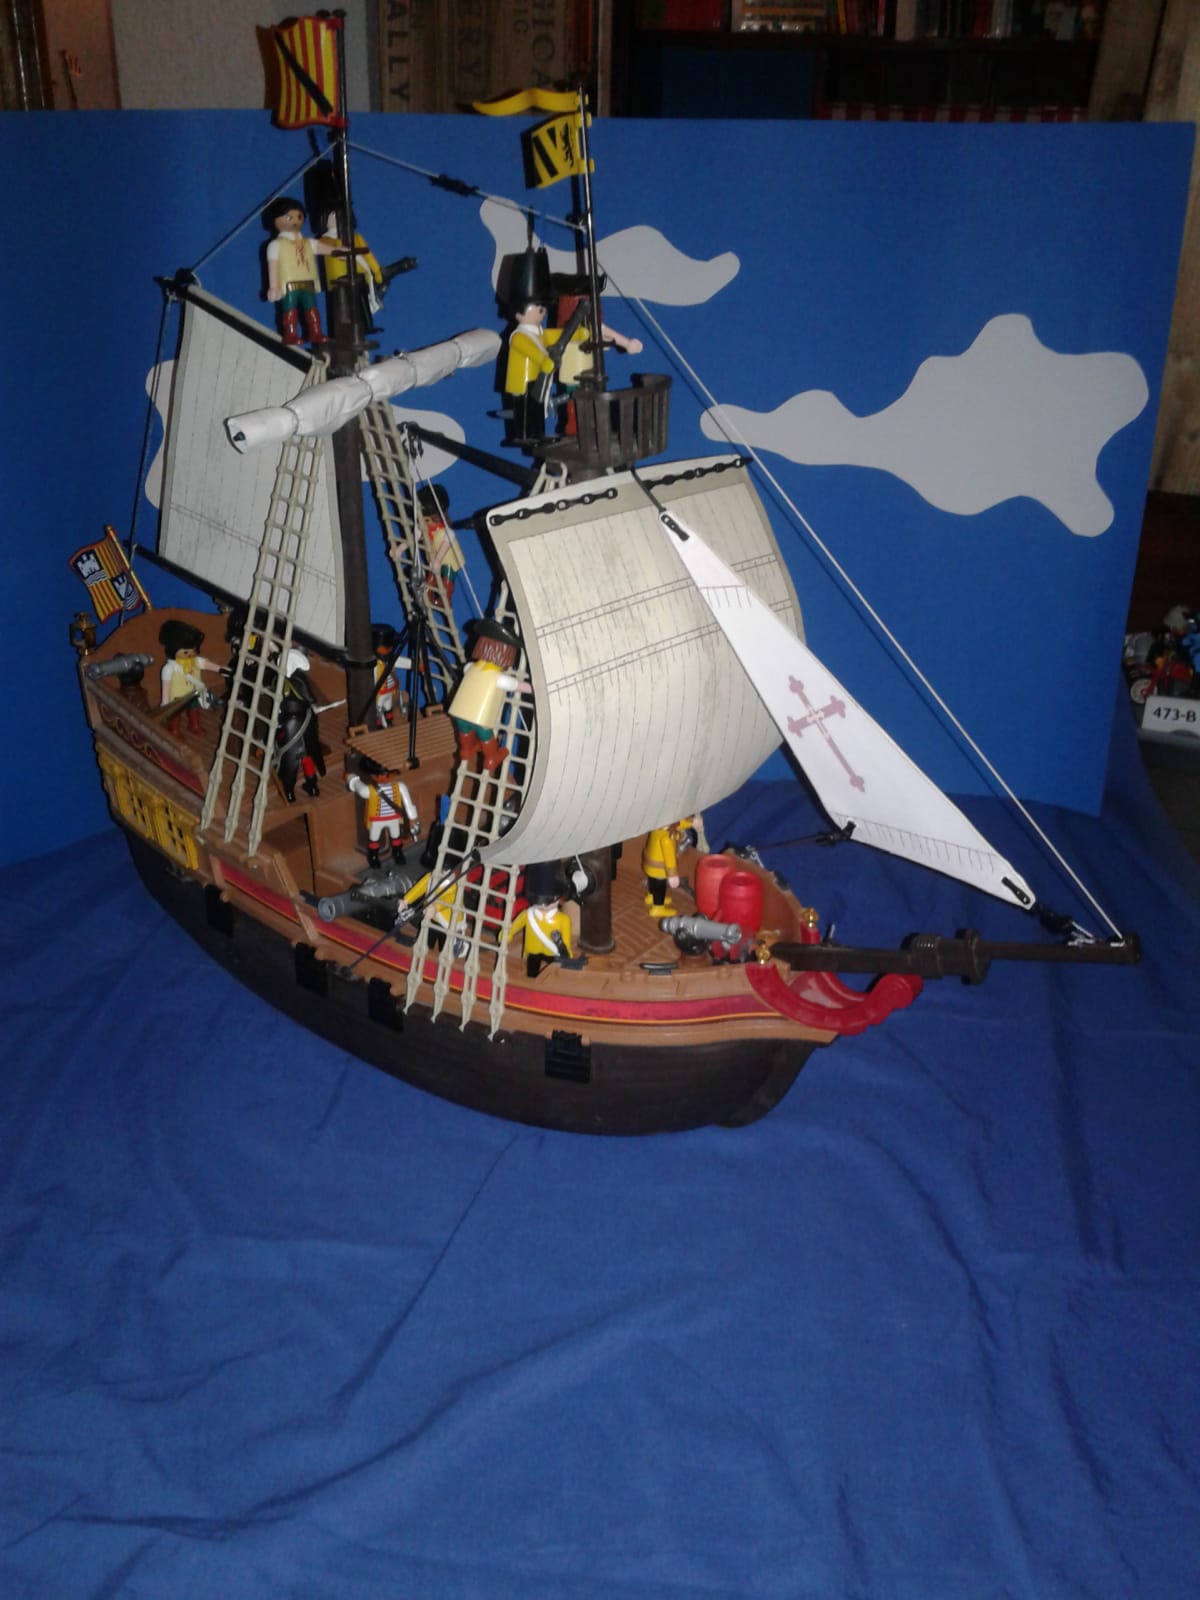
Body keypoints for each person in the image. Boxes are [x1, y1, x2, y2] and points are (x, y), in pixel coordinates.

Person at [447, 619, 526, 774]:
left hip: (460, 712)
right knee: (485, 734)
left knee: (463, 728)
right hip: (479, 717)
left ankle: (465, 750)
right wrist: (528, 687)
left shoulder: (471, 667)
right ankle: (491, 757)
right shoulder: (498, 677)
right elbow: (515, 685)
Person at [264, 196, 340, 347]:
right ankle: (290, 334)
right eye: (289, 217)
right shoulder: (276, 245)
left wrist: (338, 251)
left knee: (312, 309)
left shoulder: (307, 242)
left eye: (299, 216)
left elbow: (324, 248)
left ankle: (316, 332)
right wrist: (273, 287)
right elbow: (273, 266)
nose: (295, 221)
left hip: (308, 281)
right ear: (275, 220)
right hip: (289, 284)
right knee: (289, 310)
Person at [347, 761, 418, 869]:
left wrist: (412, 818)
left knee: (396, 837)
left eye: (390, 774)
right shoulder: (371, 790)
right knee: (374, 839)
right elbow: (361, 790)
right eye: (385, 775)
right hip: (377, 820)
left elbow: (408, 803)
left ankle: (398, 853)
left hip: (394, 818)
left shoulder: (399, 786)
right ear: (374, 776)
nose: (388, 777)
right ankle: (373, 857)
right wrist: (351, 778)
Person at [158, 619, 221, 737]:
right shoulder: (169, 668)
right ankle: (174, 730)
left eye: (194, 650)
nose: (191, 654)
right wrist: (165, 704)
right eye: (186, 652)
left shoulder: (195, 661)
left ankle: (194, 726)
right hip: (176, 698)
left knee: (194, 709)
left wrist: (221, 670)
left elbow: (207, 664)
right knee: (175, 715)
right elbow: (166, 687)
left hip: (192, 693)